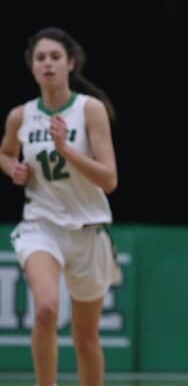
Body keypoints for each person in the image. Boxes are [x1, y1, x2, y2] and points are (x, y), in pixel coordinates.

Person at [0, 27, 120, 386]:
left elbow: (109, 179)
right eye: (41, 58)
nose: (48, 64)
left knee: (85, 338)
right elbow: (5, 153)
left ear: (70, 62)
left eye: (55, 57)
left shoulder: (90, 110)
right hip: (42, 223)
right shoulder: (20, 116)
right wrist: (13, 168)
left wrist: (66, 150)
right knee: (47, 308)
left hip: (88, 229)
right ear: (32, 67)